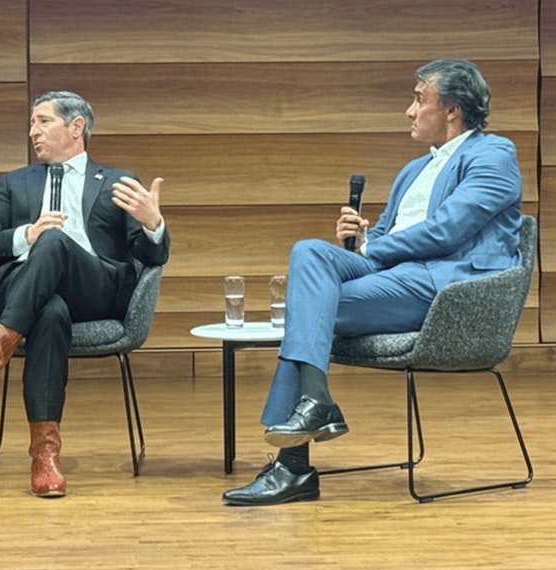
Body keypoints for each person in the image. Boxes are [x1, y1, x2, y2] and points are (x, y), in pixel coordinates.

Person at [222, 58, 522, 506]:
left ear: (453, 109)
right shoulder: (413, 170)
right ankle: (316, 401)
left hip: (445, 289)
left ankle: (292, 468)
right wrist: (361, 237)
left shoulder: (494, 155)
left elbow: (448, 230)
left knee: (309, 310)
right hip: (397, 275)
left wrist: (370, 250)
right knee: (309, 251)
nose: (409, 110)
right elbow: (383, 237)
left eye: (419, 99)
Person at [0, 91, 170, 497]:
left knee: (55, 241)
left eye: (43, 121)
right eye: (31, 124)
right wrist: (25, 234)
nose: (33, 131)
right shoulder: (15, 183)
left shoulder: (118, 181)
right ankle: (44, 456)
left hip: (95, 289)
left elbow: (152, 257)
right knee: (49, 308)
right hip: (28, 292)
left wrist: (154, 224)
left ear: (76, 127)